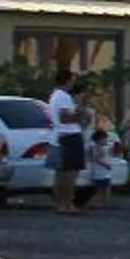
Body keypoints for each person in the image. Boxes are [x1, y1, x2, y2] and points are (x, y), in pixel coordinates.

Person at [46, 68, 86, 215]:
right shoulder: (63, 96)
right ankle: (68, 203)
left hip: (61, 136)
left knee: (62, 172)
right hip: (69, 135)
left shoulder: (55, 96)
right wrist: (80, 111)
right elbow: (65, 117)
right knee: (70, 172)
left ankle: (61, 203)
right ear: (68, 80)